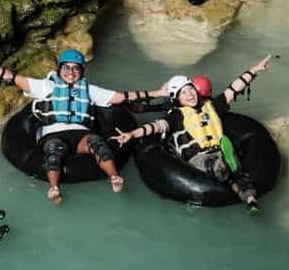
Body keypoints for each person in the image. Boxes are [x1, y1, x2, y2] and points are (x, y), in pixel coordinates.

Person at [0, 43, 165, 204]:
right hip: (53, 133)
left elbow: (123, 97)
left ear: (82, 72)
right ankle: (54, 188)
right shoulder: (45, 86)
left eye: (76, 69)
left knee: (98, 143)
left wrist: (158, 92)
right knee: (54, 151)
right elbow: (10, 76)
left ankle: (114, 177)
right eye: (67, 68)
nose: (71, 72)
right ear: (60, 69)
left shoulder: (90, 90)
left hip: (81, 134)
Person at [111, 55, 274, 214]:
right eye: (184, 93)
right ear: (177, 99)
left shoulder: (212, 107)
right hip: (198, 158)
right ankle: (227, 170)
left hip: (218, 150)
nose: (189, 94)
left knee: (235, 172)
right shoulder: (176, 116)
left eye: (190, 90)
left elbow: (234, 88)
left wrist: (255, 70)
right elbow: (156, 127)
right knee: (220, 166)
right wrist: (132, 134)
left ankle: (250, 201)